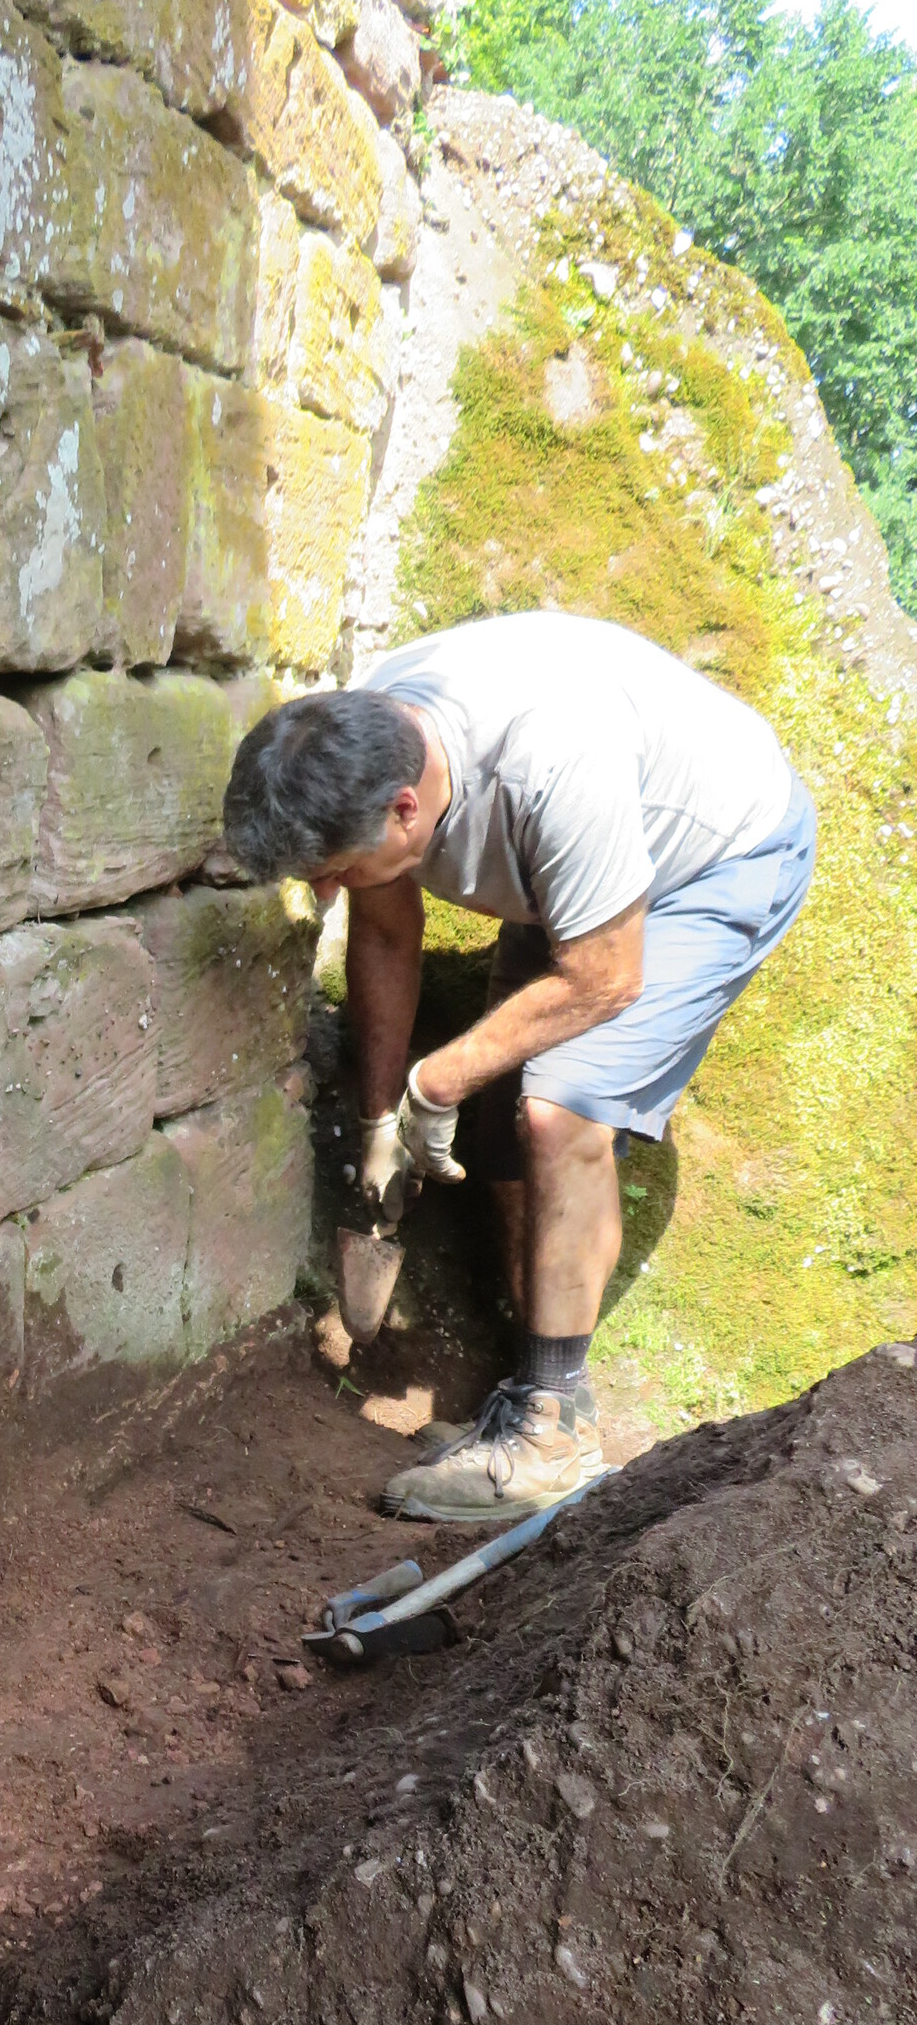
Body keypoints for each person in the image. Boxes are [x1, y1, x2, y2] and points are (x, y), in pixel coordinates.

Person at [221, 611, 816, 1522]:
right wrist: (379, 1119)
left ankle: (553, 1438)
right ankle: (528, 1397)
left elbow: (606, 975)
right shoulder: (363, 737)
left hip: (713, 860)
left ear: (406, 809)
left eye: (335, 871)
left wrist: (436, 1081)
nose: (326, 894)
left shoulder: (552, 765)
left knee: (559, 1110)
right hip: (577, 868)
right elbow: (386, 935)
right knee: (503, 1120)